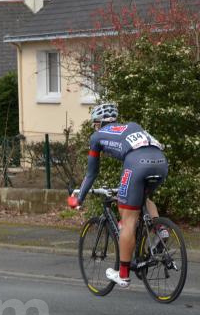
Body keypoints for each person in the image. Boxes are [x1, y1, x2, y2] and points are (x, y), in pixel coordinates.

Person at [68, 103, 169, 288]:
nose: (94, 127)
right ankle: (160, 229)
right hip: (161, 162)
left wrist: (78, 199)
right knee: (144, 199)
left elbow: (91, 173)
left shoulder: (97, 136)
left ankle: (122, 274)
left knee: (127, 220)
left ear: (98, 123)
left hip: (137, 164)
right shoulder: (131, 126)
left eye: (94, 123)